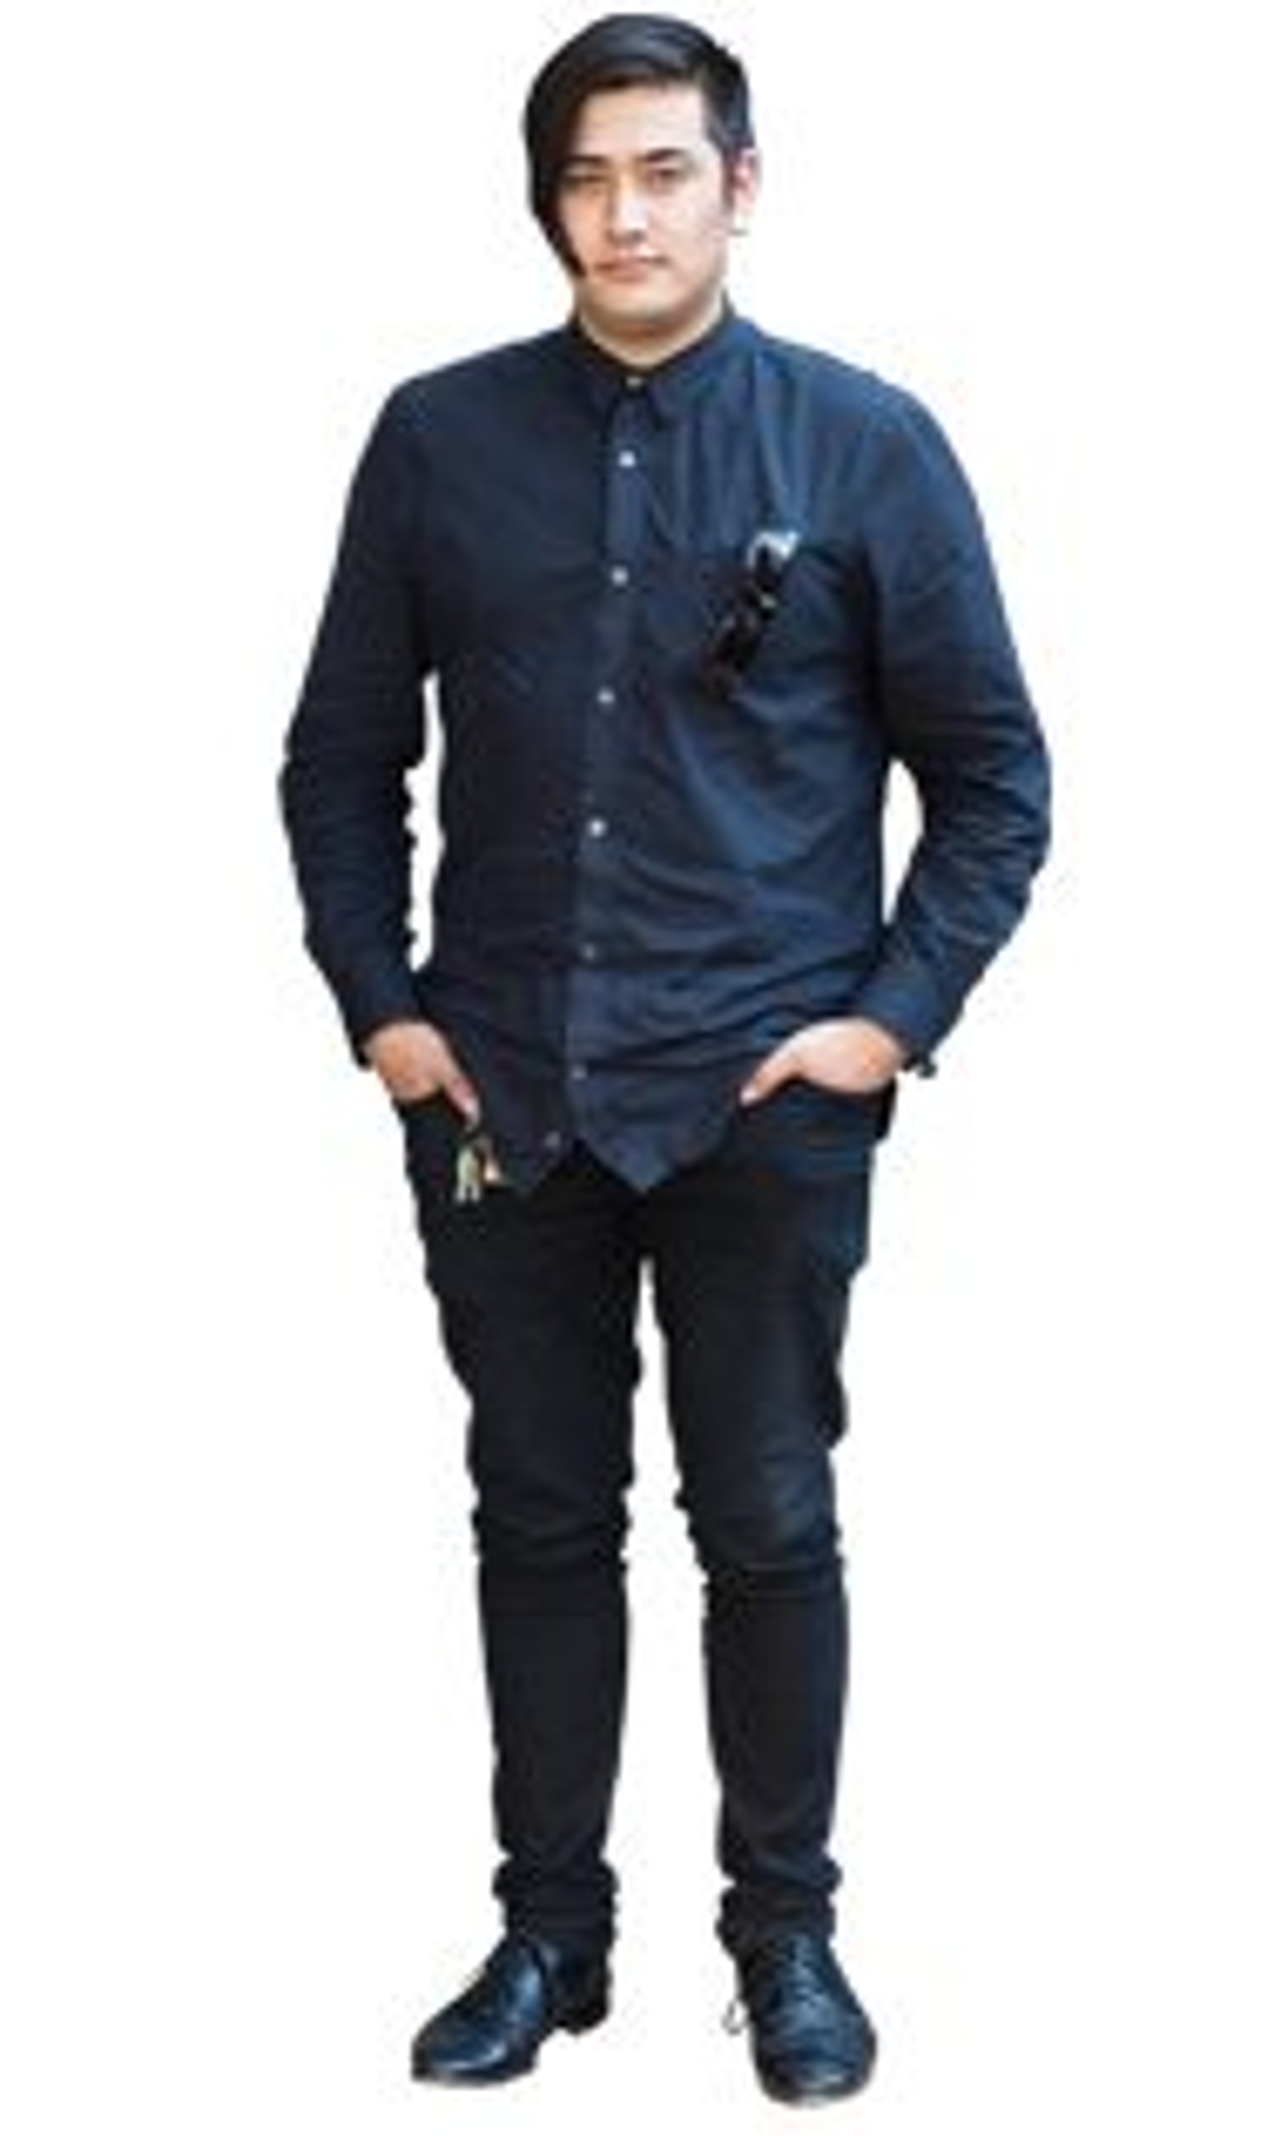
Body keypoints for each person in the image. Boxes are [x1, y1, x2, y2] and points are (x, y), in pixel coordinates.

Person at [280, 11, 1050, 2106]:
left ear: (741, 185)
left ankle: (785, 1940)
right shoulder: (437, 441)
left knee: (768, 1521)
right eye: (586, 177)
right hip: (502, 1099)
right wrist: (385, 1011)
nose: (624, 214)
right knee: (538, 1521)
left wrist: (885, 1024)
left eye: (664, 169)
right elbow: (340, 760)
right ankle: (551, 1938)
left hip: (758, 1102)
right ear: (547, 204)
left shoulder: (865, 447)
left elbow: (993, 777)